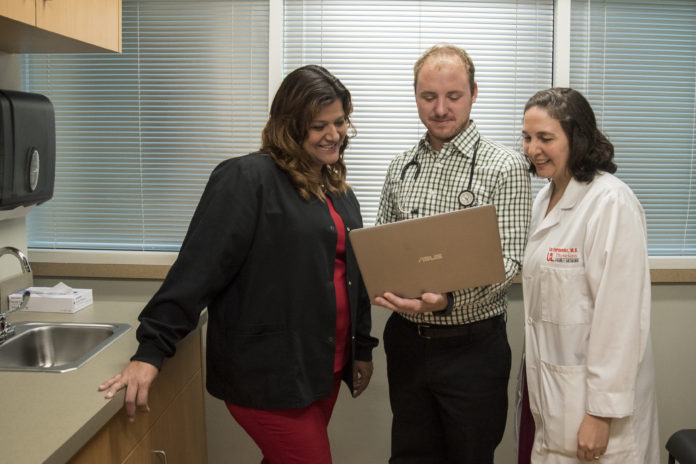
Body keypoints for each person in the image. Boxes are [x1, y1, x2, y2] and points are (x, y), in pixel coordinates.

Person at [99, 64, 379, 464]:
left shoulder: (338, 190)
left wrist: (361, 348)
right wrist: (150, 350)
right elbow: (198, 268)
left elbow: (354, 277)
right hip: (269, 373)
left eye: (340, 122)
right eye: (319, 126)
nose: (334, 135)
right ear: (290, 126)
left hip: (323, 367)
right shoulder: (247, 178)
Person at [374, 43, 532, 463]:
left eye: (453, 96)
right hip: (407, 343)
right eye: (429, 97)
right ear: (416, 96)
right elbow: (382, 246)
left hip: (472, 350)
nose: (440, 108)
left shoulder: (505, 166)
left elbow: (510, 260)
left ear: (474, 93)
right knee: (409, 455)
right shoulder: (400, 166)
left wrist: (449, 300)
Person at [517, 87, 659, 463]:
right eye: (527, 137)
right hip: (555, 395)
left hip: (596, 408)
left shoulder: (611, 202)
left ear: (577, 139)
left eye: (545, 138)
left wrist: (600, 413)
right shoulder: (543, 200)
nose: (532, 149)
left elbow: (621, 318)